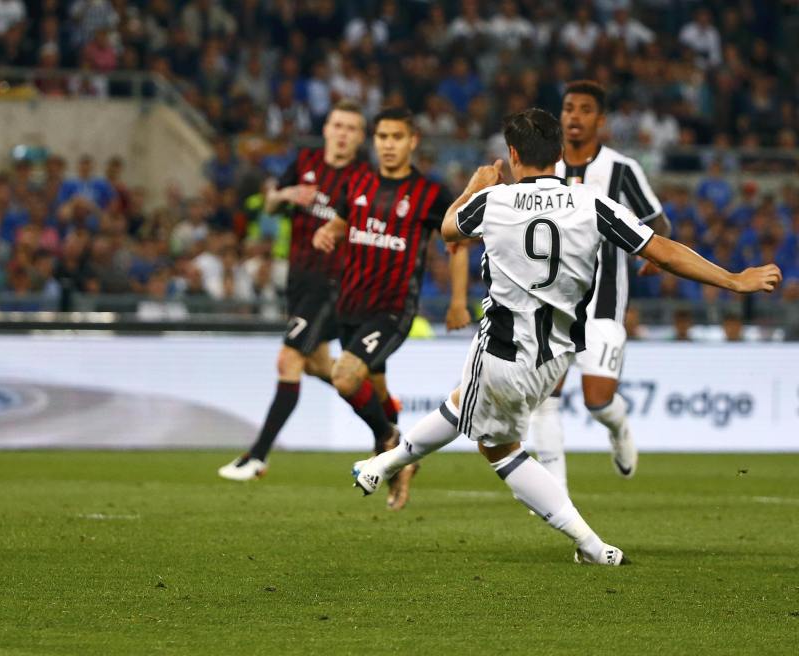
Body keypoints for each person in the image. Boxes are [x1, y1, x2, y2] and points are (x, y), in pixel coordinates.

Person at [355, 108, 780, 564]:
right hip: (555, 357)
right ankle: (384, 464)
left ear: (513, 155)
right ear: (559, 155)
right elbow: (663, 250)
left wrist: (475, 186)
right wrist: (734, 279)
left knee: (497, 449)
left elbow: (446, 229)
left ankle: (593, 545)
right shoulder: (592, 202)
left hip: (503, 349)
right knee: (464, 405)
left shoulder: (492, 203)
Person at [314, 106, 471, 510]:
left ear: (412, 141)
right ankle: (399, 464)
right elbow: (341, 220)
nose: (387, 144)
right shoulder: (358, 181)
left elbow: (456, 245)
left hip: (392, 309)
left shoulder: (430, 194)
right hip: (349, 305)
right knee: (375, 390)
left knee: (345, 377)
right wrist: (328, 231)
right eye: (382, 137)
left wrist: (457, 301)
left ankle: (389, 444)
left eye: (396, 137)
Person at [217, 100, 373, 482]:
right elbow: (269, 205)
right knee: (322, 366)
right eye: (337, 125)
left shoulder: (364, 179)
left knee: (288, 360)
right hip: (300, 281)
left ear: (359, 137)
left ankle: (257, 456)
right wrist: (287, 195)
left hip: (334, 283)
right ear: (326, 130)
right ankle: (385, 422)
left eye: (351, 128)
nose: (342, 133)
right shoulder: (305, 163)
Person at [528, 81, 672, 490]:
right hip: (551, 300)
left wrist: (651, 257)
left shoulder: (622, 169)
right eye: (569, 108)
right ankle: (557, 497)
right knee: (544, 400)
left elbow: (658, 224)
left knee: (597, 401)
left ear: (601, 119)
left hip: (603, 302)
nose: (574, 116)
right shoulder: (545, 168)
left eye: (585, 109)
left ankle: (619, 426)